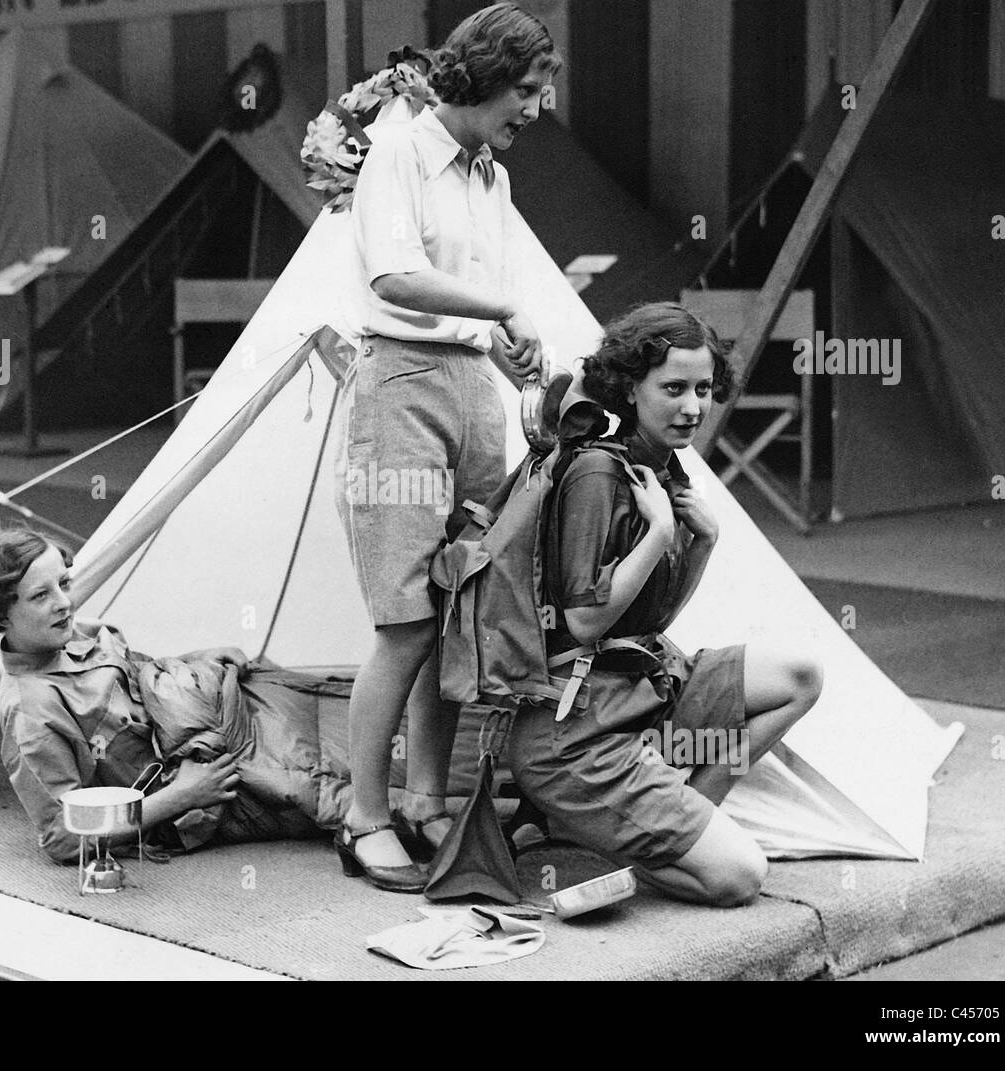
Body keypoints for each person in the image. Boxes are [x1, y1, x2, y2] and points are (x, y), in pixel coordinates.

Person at [334, 3, 560, 891]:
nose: (535, 110)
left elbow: (473, 303)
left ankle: (428, 799)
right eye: (527, 90)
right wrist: (500, 311)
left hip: (469, 388)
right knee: (405, 618)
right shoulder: (397, 151)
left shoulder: (490, 178)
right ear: (483, 77)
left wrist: (516, 364)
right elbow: (394, 277)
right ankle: (364, 817)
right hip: (400, 387)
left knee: (457, 603)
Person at [507, 302, 825, 906]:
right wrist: (657, 535)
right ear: (630, 388)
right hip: (575, 733)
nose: (693, 407)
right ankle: (623, 835)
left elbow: (649, 620)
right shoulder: (599, 471)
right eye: (673, 388)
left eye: (704, 389)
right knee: (738, 879)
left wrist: (702, 542)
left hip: (641, 692)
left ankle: (685, 823)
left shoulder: (661, 465)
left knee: (800, 676)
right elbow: (583, 621)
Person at [0, 529, 243, 864]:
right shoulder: (30, 715)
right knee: (312, 772)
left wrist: (196, 659)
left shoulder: (81, 631)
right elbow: (65, 838)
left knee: (286, 689)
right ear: (0, 614)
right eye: (40, 596)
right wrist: (180, 796)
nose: (64, 602)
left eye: (63, 584)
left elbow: (143, 676)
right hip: (195, 791)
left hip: (196, 721)